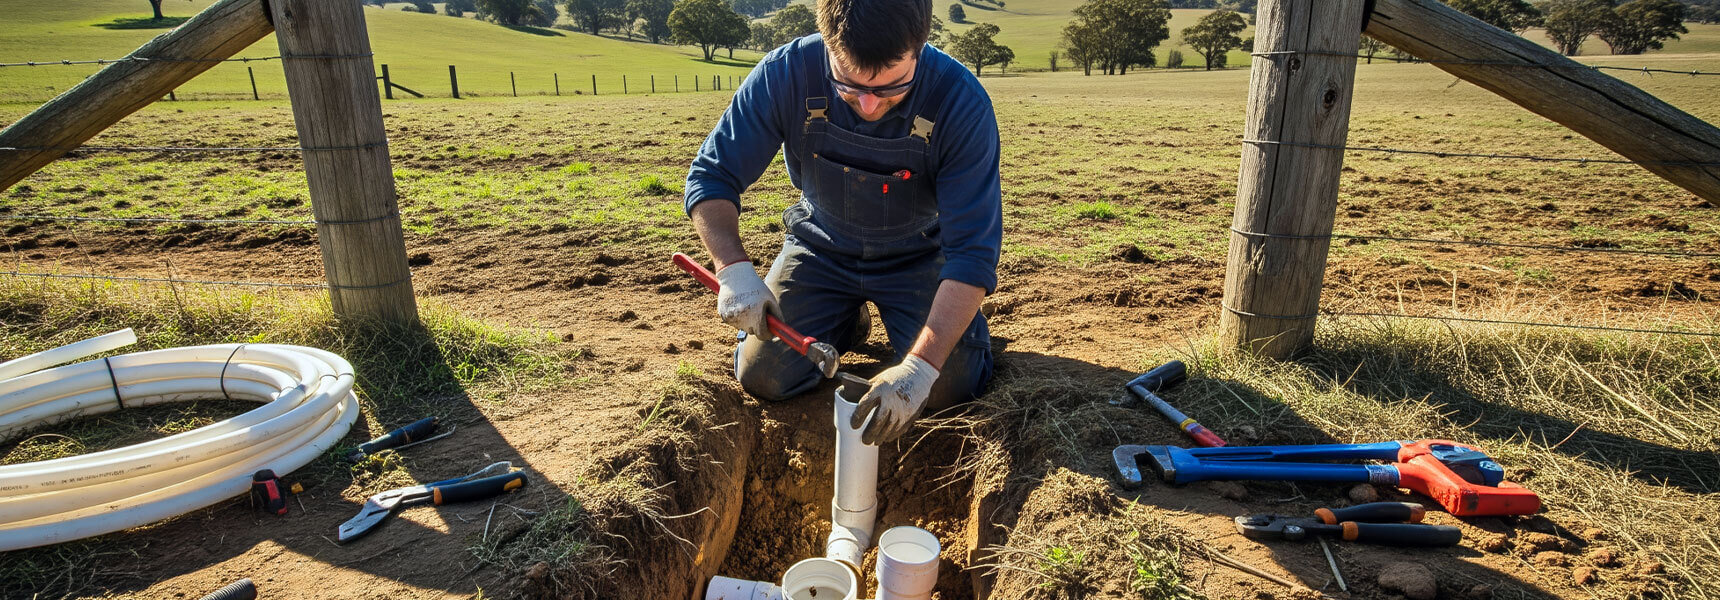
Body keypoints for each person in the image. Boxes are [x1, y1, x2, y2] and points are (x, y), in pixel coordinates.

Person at [683, 0, 1001, 445]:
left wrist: (920, 369)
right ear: (828, 43)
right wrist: (732, 269)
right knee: (763, 374)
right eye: (848, 84)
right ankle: (845, 322)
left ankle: (950, 335)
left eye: (891, 87)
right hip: (819, 249)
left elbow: (972, 254)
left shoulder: (961, 102)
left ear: (920, 46)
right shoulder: (785, 74)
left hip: (919, 257)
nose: (868, 104)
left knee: (951, 386)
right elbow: (712, 176)